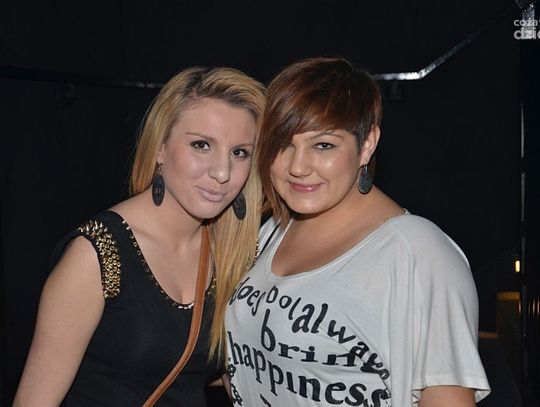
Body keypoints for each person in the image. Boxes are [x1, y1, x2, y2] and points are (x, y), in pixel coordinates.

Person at [225, 57, 490, 406]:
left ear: (366, 144)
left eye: (323, 145)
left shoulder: (419, 254)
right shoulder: (273, 232)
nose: (298, 166)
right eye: (282, 144)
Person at [14, 66, 266, 406]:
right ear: (161, 147)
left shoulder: (234, 253)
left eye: (240, 152)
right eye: (201, 145)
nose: (222, 172)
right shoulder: (97, 255)